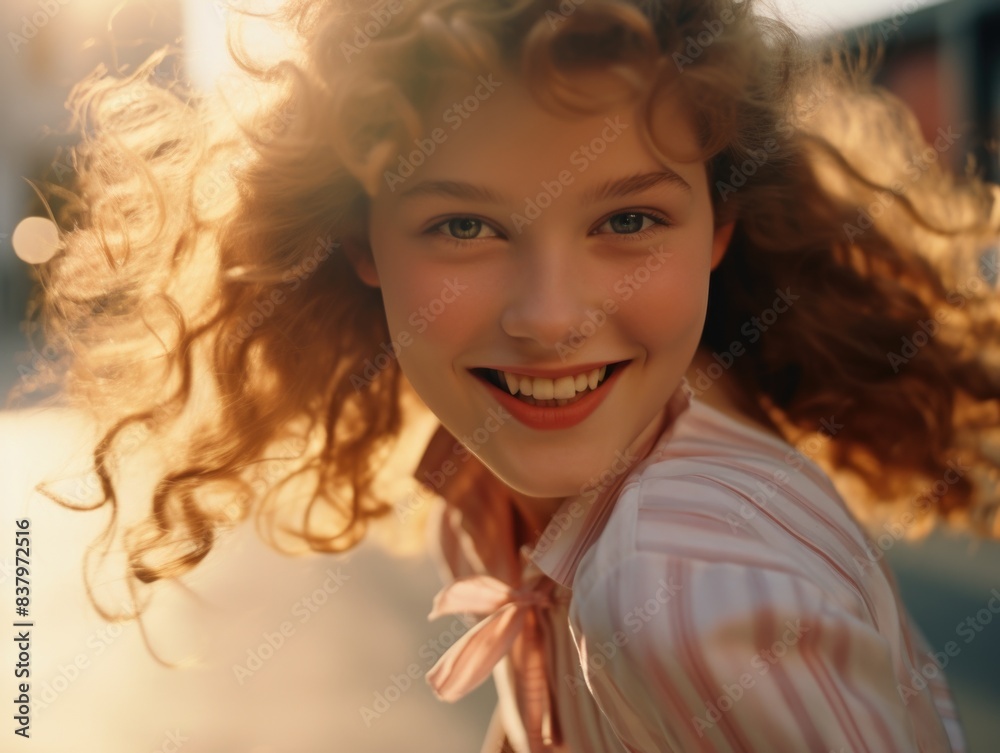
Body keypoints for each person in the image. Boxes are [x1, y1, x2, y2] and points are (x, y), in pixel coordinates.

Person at [12, 0, 1000, 751]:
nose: (548, 317)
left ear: (717, 231)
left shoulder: (680, 588)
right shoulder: (540, 488)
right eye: (464, 226)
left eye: (627, 221)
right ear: (361, 246)